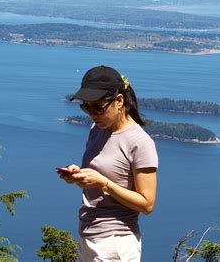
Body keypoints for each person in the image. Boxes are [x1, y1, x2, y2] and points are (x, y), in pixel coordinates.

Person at [58, 65, 158, 262]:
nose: (92, 114)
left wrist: (103, 183)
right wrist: (79, 175)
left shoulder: (139, 142)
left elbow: (147, 204)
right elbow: (99, 174)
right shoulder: (98, 129)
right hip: (89, 235)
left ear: (119, 101)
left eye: (97, 108)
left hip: (116, 242)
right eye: (86, 107)